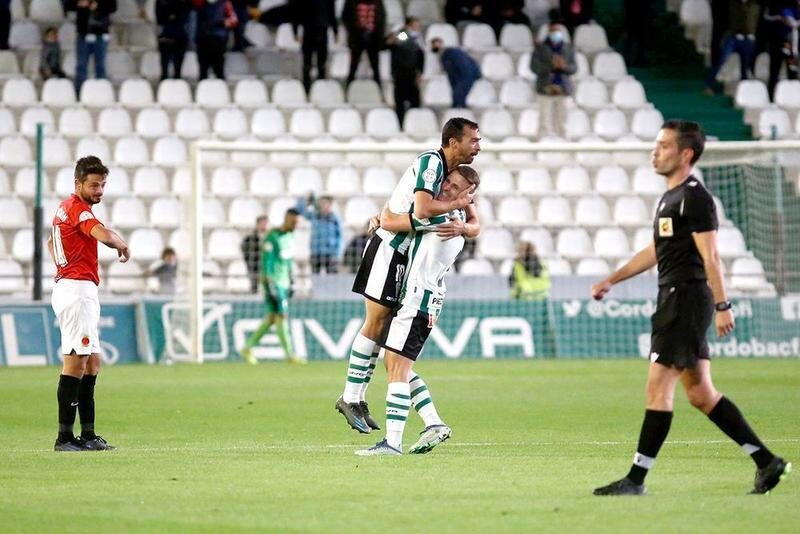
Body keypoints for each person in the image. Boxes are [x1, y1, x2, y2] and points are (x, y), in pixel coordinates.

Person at [591, 120, 791, 496]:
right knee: (701, 394)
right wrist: (612, 279)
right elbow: (656, 251)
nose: (656, 151)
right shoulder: (671, 197)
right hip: (675, 298)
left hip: (684, 299)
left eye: (664, 145)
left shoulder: (694, 198)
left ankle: (635, 480)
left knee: (657, 389)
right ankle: (767, 462)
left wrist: (722, 305)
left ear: (685, 154)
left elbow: (711, 255)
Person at [335, 117, 481, 441]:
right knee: (376, 326)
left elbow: (469, 222)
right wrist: (458, 207)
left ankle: (423, 421)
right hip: (390, 248)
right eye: (474, 140)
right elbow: (423, 208)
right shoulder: (433, 163)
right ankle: (352, 397)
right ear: (454, 141)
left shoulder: (447, 179)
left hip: (405, 257)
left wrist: (464, 219)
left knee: (392, 350)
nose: (479, 146)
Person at [356, 166, 481, 456]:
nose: (446, 187)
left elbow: (394, 221)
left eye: (455, 187)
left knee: (397, 369)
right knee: (396, 364)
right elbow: (470, 224)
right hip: (422, 299)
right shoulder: (458, 218)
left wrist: (381, 218)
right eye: (447, 181)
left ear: (468, 195)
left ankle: (393, 443)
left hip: (417, 301)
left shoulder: (443, 217)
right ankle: (433, 423)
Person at [48, 156, 131, 452]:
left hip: (76, 287)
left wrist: (63, 264)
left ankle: (89, 435)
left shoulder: (63, 209)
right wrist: (120, 242)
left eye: (102, 185)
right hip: (76, 290)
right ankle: (64, 438)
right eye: (94, 185)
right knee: (76, 360)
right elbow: (102, 234)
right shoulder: (78, 210)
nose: (99, 191)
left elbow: (51, 243)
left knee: (92, 362)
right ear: (78, 183)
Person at [240, 209, 304, 364]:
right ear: (287, 219)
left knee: (272, 317)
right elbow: (266, 261)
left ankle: (247, 348)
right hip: (273, 282)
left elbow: (287, 261)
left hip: (284, 282)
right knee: (282, 315)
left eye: (298, 223)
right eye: (294, 222)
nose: (296, 226)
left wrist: (291, 280)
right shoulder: (272, 237)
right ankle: (289, 355)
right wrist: (269, 283)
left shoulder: (289, 237)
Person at [530, 20, 576, 136]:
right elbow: (534, 67)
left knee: (564, 123)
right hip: (545, 88)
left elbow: (574, 68)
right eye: (553, 31)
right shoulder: (540, 48)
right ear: (549, 32)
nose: (556, 34)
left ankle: (566, 147)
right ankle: (541, 147)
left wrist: (563, 66)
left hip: (563, 88)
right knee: (544, 122)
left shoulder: (568, 48)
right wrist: (551, 66)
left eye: (558, 31)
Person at [704, 0, 760, 95]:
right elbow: (730, 19)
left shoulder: (754, 5)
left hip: (748, 38)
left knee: (746, 65)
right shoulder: (732, 3)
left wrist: (752, 34)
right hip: (733, 37)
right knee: (720, 61)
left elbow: (754, 21)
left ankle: (744, 88)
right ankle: (709, 84)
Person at [292, 0, 338, 93]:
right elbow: (297, 12)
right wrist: (295, 30)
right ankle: (307, 89)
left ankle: (318, 89)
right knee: (308, 63)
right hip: (310, 29)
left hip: (320, 29)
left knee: (320, 63)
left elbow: (331, 12)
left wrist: (335, 30)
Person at [73, 0, 117, 94]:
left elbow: (113, 6)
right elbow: (68, 4)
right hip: (83, 32)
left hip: (100, 32)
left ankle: (101, 93)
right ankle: (79, 94)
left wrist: (98, 4)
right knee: (81, 65)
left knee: (100, 65)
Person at [342, 0, 385, 89]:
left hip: (373, 38)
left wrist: (378, 33)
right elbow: (345, 17)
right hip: (356, 37)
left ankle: (379, 90)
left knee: (375, 67)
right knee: (353, 66)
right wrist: (353, 30)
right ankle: (348, 89)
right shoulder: (351, 2)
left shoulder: (377, 1)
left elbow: (381, 17)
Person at [389, 16, 425, 125]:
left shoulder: (418, 39)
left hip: (413, 72)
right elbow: (396, 42)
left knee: (415, 101)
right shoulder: (403, 35)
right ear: (408, 25)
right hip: (401, 72)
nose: (417, 27)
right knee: (400, 101)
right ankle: (401, 124)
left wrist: (419, 72)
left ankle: (415, 123)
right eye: (415, 25)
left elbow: (420, 56)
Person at [295, 193, 342, 274]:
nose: (323, 205)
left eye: (325, 203)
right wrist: (308, 199)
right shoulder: (314, 215)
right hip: (316, 252)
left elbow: (340, 237)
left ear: (330, 205)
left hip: (330, 253)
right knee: (315, 277)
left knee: (332, 279)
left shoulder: (335, 218)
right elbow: (299, 210)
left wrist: (337, 253)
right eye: (321, 203)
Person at [430, 38, 482, 109]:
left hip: (467, 76)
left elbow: (463, 67)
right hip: (465, 76)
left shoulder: (450, 53)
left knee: (458, 98)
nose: (436, 46)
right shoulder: (445, 55)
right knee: (458, 99)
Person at [763, 0, 799, 99]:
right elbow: (766, 17)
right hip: (776, 44)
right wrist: (781, 18)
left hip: (791, 46)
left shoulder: (795, 6)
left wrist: (793, 22)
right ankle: (770, 99)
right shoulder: (773, 5)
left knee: (792, 72)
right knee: (774, 73)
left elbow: (796, 23)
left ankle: (794, 98)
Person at [193, 0, 237, 80]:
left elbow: (233, 20)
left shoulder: (225, 3)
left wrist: (223, 22)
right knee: (203, 70)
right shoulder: (200, 2)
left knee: (219, 70)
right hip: (203, 39)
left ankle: (221, 89)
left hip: (218, 40)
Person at [156, 0, 191, 79]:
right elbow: (159, 18)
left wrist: (173, 17)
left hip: (180, 36)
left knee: (178, 71)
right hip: (165, 35)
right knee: (164, 71)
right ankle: (164, 87)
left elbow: (185, 16)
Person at [241, 215, 269, 293]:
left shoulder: (271, 238)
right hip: (255, 267)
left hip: (268, 267)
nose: (264, 225)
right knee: (255, 286)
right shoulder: (249, 239)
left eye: (265, 223)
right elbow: (245, 250)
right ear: (257, 224)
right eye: (262, 223)